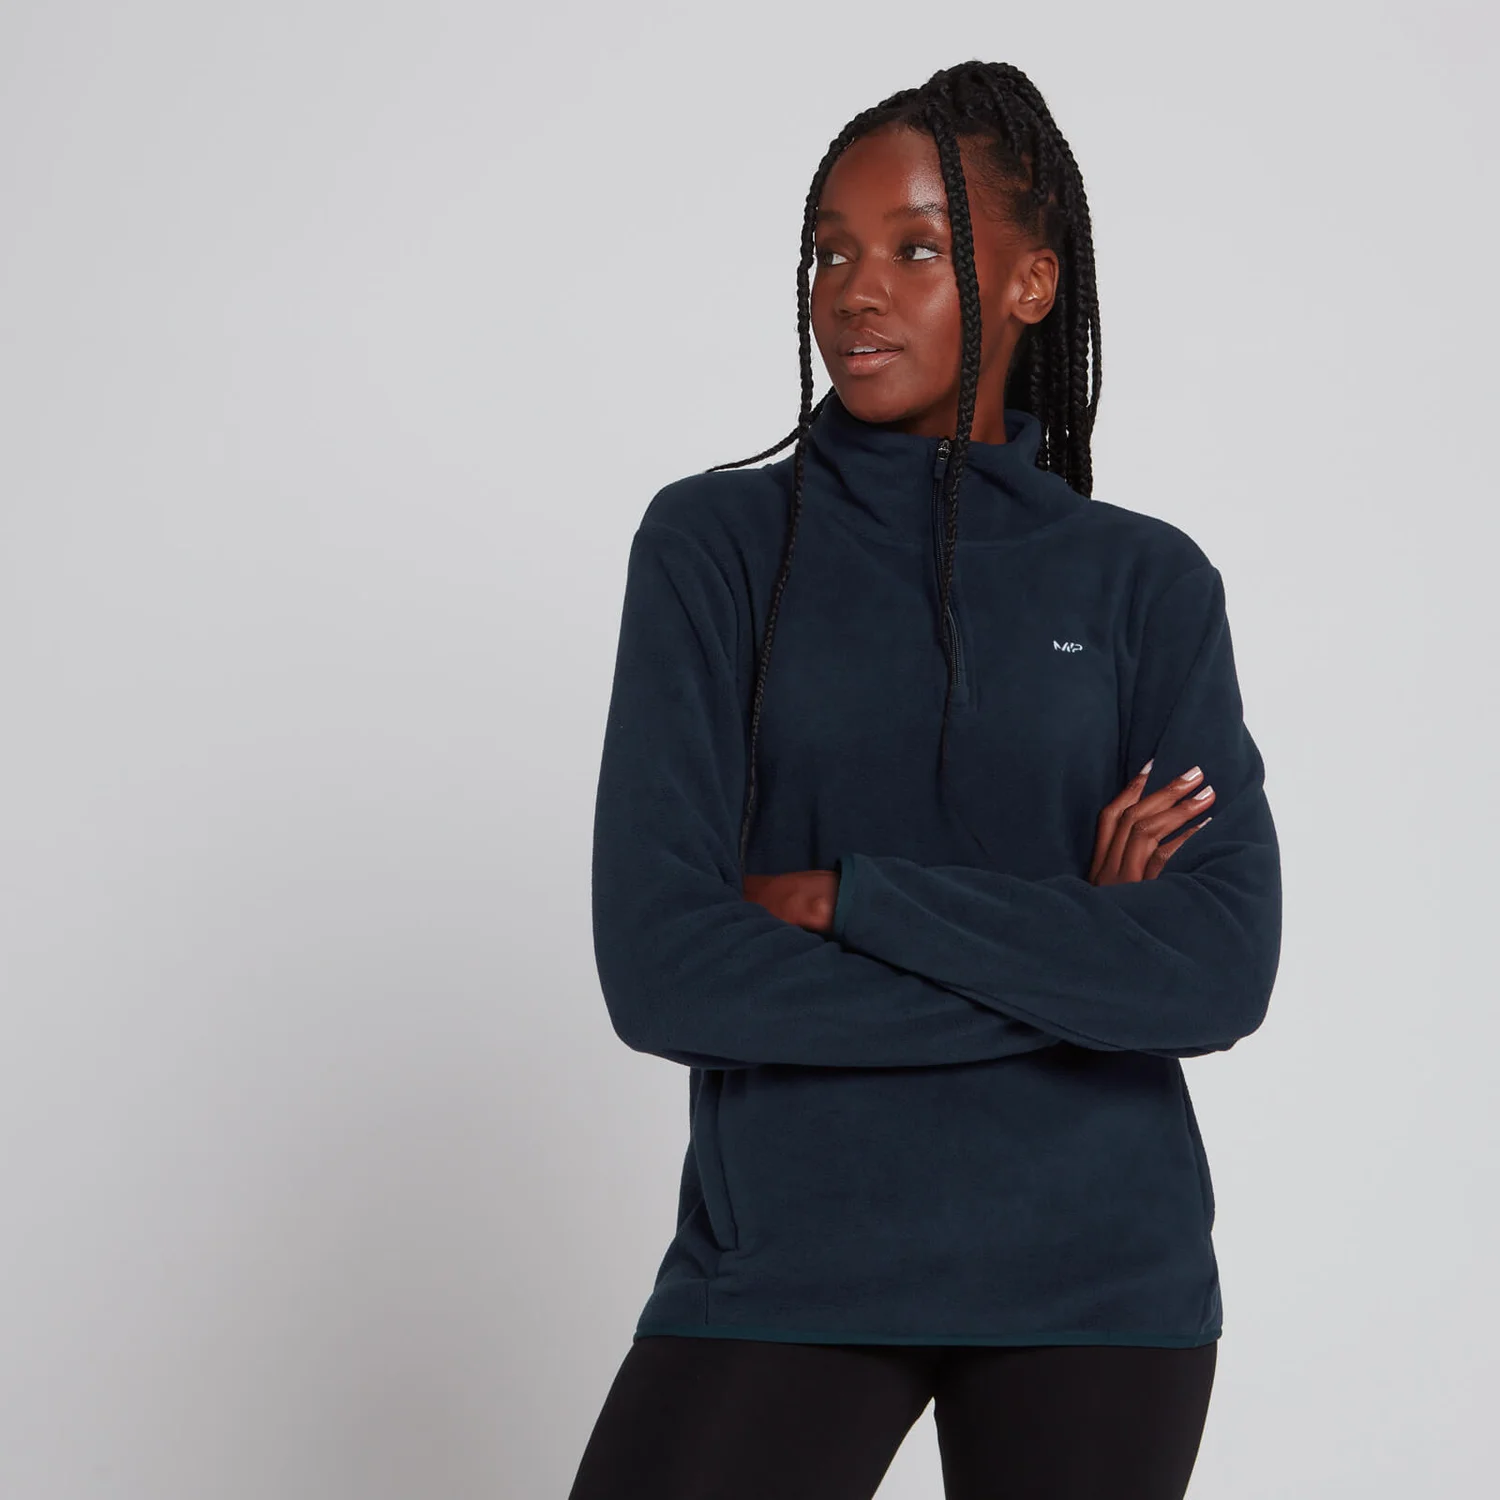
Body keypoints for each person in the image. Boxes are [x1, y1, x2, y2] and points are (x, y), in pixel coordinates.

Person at [568, 59, 1282, 1500]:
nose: (856, 291)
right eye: (830, 252)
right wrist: (1084, 955)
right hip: (789, 1261)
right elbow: (663, 969)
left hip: (1101, 1280)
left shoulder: (1144, 583)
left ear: (1031, 282)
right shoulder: (715, 549)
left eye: (915, 248)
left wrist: (853, 901)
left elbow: (1215, 968)